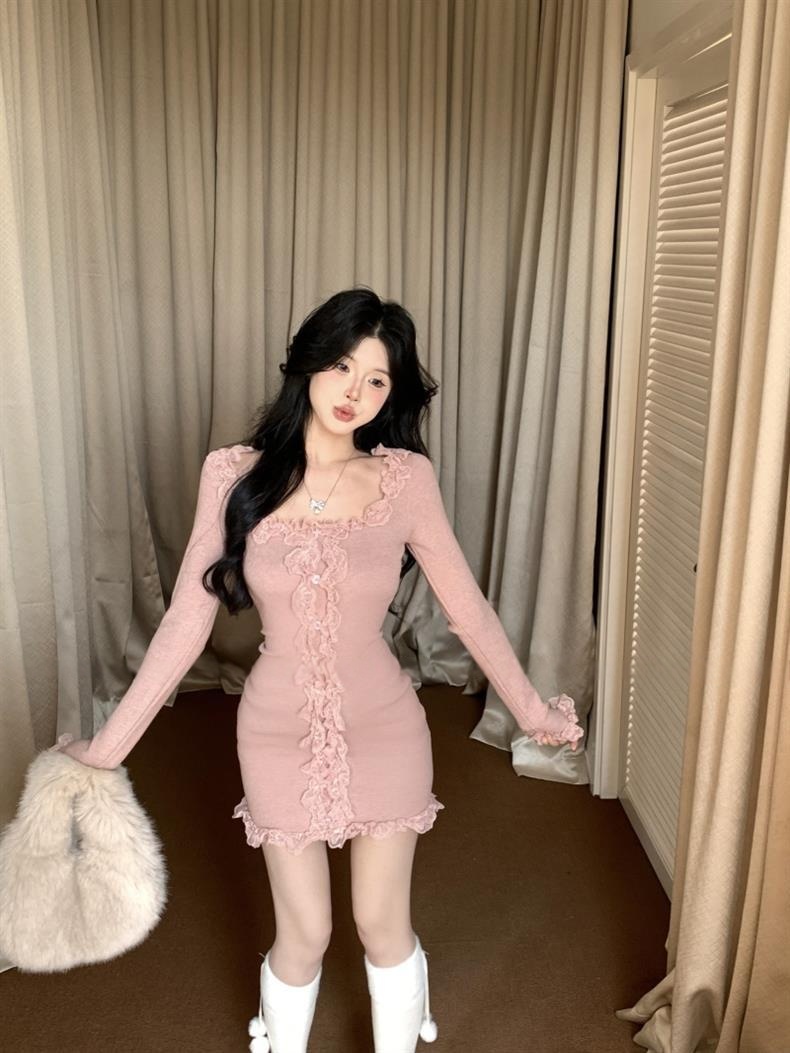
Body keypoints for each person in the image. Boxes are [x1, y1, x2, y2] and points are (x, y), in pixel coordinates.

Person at [59, 288, 583, 1053]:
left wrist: (532, 712)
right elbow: (185, 623)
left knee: (380, 921)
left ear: (391, 394)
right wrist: (105, 752)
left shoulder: (404, 479)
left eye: (376, 379)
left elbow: (467, 609)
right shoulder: (232, 474)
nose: (354, 391)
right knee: (304, 932)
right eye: (342, 365)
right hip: (274, 730)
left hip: (386, 726)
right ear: (308, 361)